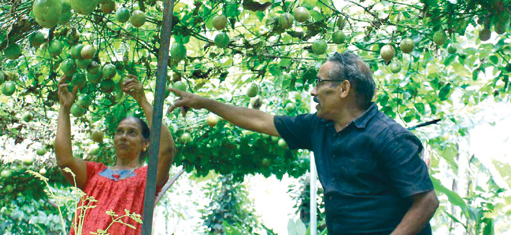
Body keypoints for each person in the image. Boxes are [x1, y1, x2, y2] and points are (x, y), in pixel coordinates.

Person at [168, 51, 439, 235]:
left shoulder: (389, 137)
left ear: (344, 89)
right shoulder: (317, 126)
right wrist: (204, 102)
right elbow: (260, 120)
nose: (313, 90)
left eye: (320, 83)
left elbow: (426, 201)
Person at [55, 74, 175, 235]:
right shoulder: (94, 173)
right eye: (119, 132)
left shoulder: (147, 177)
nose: (123, 136)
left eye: (132, 133)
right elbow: (64, 160)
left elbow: (166, 150)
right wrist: (64, 108)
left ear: (146, 143)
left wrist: (143, 101)